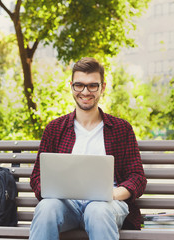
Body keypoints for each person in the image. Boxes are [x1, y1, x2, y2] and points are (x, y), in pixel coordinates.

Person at [29, 57, 147, 240]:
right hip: (66, 206)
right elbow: (37, 177)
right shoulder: (55, 128)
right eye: (79, 85)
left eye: (93, 86)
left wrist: (114, 194)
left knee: (97, 210)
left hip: (107, 206)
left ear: (103, 87)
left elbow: (137, 177)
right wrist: (51, 191)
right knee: (46, 208)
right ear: (71, 86)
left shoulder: (121, 129)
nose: (85, 91)